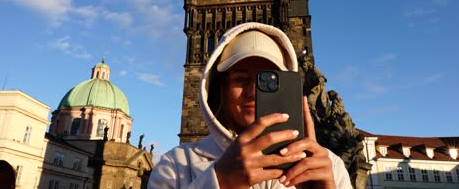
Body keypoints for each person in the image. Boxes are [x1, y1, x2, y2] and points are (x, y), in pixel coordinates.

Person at [148, 22, 352, 188]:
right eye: (241, 79)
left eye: (270, 82)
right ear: (220, 88)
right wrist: (221, 182)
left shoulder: (329, 166)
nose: (254, 92)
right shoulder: (176, 164)